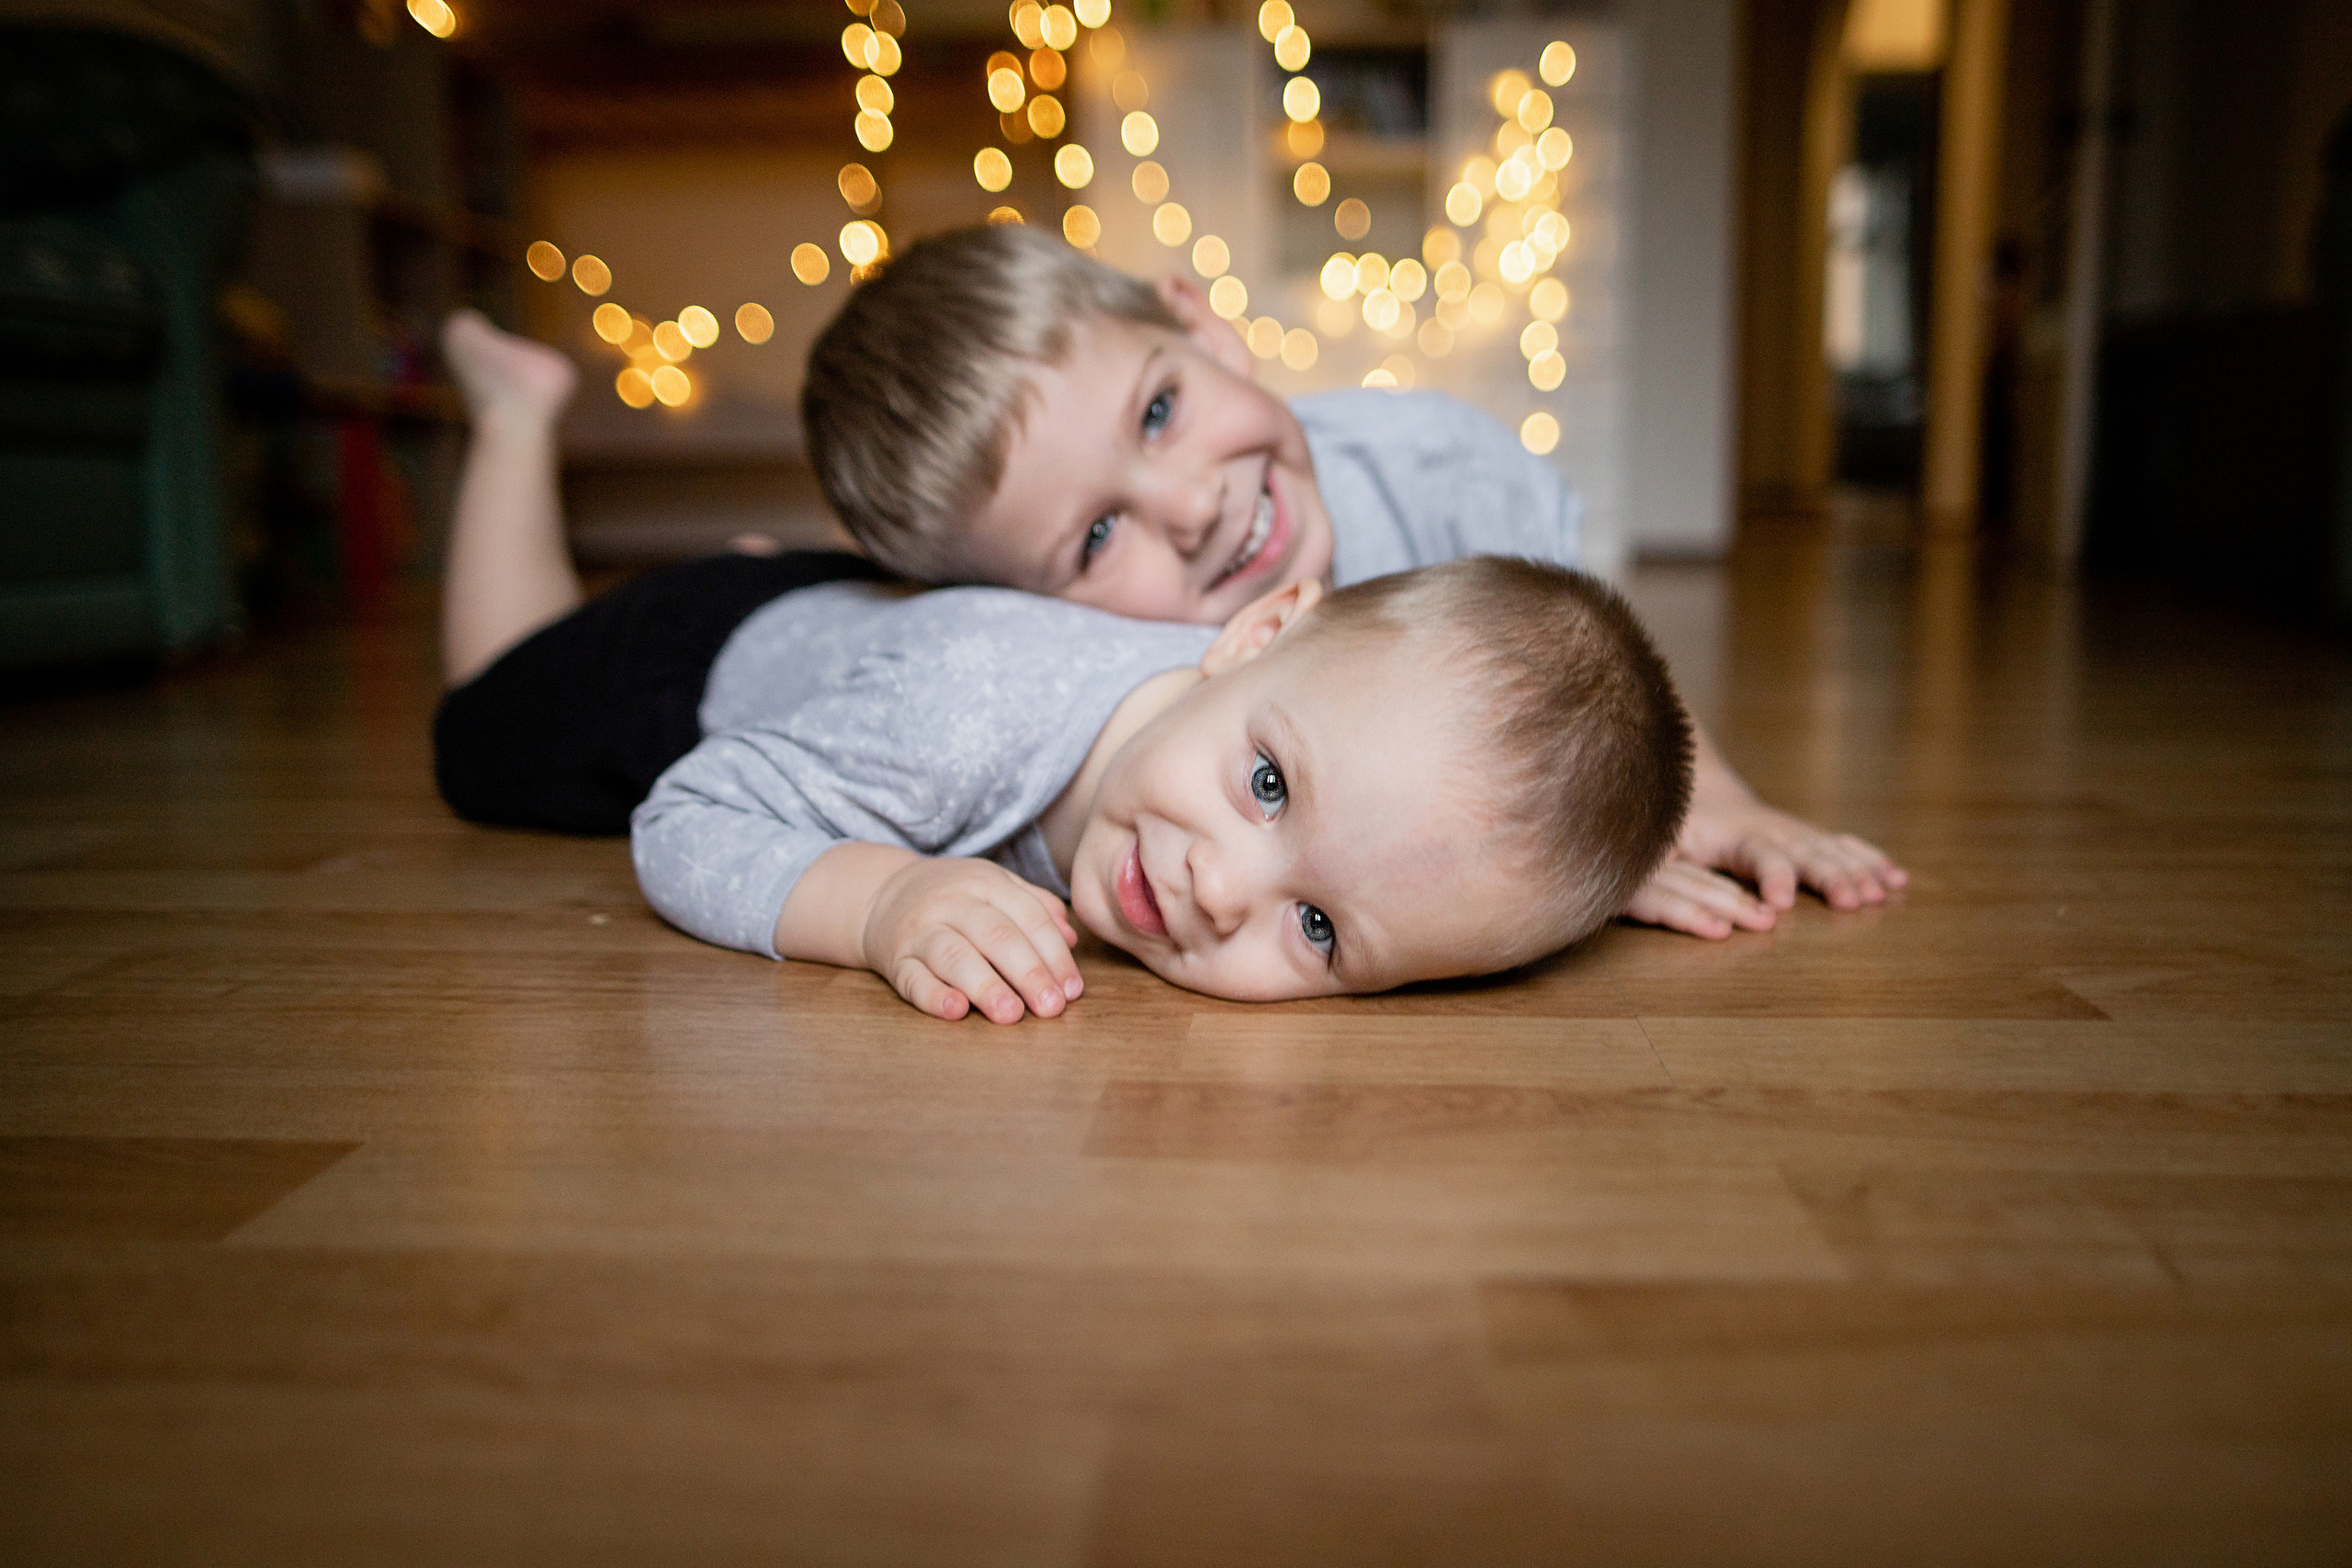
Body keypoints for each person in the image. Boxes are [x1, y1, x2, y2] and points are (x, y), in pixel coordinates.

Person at [433, 314, 1693, 1023]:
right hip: (689, 664)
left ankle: (796, 581)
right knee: (488, 715)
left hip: (868, 638)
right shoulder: (973, 713)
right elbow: (688, 812)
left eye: (1316, 926)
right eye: (1266, 785)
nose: (1215, 886)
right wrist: (879, 906)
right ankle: (515, 414)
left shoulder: (1248, 730)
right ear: (1254, 631)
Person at [801, 223, 1906, 940]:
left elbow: (1591, 682)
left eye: (1158, 411)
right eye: (1095, 538)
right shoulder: (1089, 704)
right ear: (1031, 614)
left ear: (1199, 325)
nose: (1191, 509)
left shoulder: (1441, 473)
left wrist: (1708, 811)